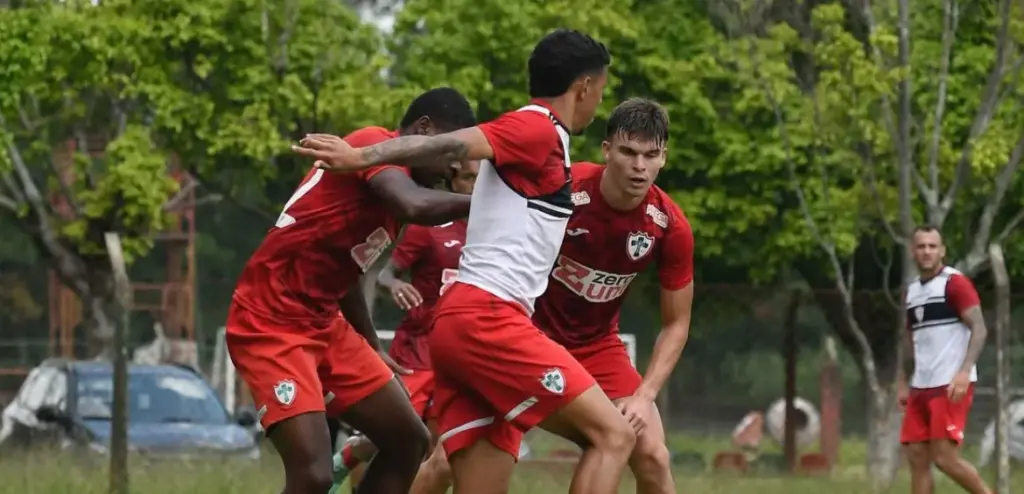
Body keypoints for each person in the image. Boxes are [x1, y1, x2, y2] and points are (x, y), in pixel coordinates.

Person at [293, 28, 637, 494]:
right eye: (602, 89)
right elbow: (451, 145)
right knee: (614, 436)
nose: (600, 101)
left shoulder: (547, 142)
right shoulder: (536, 127)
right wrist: (360, 156)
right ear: (584, 87)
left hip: (462, 325)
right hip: (489, 319)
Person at [227, 87, 478, 494]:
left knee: (408, 441)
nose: (453, 167)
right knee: (313, 475)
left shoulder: (390, 200)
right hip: (269, 321)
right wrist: (491, 201)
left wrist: (370, 344)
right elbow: (412, 204)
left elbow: (344, 275)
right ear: (423, 129)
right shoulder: (371, 145)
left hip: (325, 323)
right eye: (448, 151)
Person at [532, 98, 692, 494]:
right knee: (449, 462)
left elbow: (677, 323)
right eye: (629, 152)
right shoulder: (565, 192)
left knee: (653, 455)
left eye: (651, 155)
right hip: (530, 336)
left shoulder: (669, 226)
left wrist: (644, 395)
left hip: (598, 346)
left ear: (663, 158)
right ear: (607, 151)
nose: (639, 166)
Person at [330, 160, 479, 494]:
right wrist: (394, 285)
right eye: (469, 177)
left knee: (439, 444)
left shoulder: (492, 230)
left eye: (482, 179)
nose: (475, 185)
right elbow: (386, 273)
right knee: (397, 434)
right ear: (453, 179)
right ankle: (353, 454)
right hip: (418, 348)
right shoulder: (429, 226)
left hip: (461, 349)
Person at [899, 225, 991, 494]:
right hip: (921, 385)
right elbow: (910, 340)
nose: (927, 251)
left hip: (949, 384)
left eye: (932, 246)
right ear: (912, 251)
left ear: (942, 251)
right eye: (921, 246)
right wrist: (904, 381)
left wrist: (964, 372)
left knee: (944, 458)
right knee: (916, 456)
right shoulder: (912, 291)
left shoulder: (955, 283)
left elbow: (980, 328)